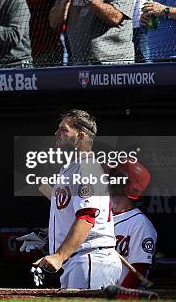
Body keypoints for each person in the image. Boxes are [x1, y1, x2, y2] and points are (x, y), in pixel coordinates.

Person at [33, 109, 121, 289]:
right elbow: (67, 209)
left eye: (63, 129)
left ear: (80, 136)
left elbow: (87, 217)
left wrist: (59, 256)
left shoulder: (86, 167)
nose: (56, 133)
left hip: (90, 258)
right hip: (81, 259)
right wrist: (46, 235)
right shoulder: (72, 167)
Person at [109, 161, 157, 288]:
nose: (110, 178)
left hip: (121, 294)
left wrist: (120, 297)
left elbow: (139, 269)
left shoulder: (141, 224)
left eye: (117, 176)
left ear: (131, 186)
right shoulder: (99, 216)